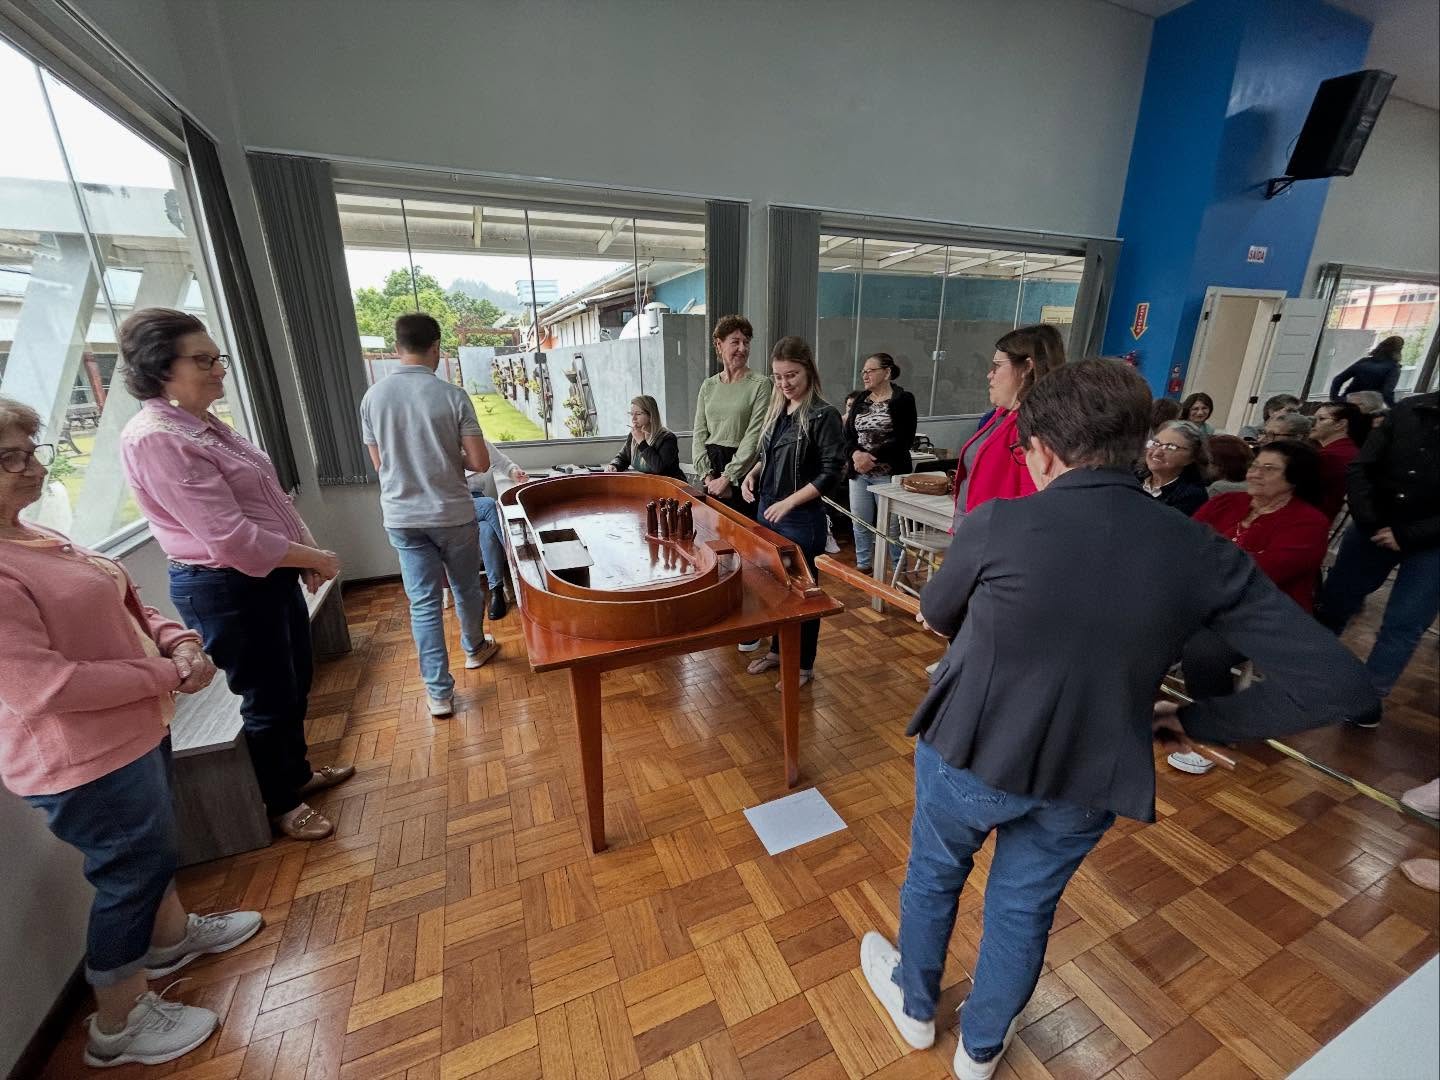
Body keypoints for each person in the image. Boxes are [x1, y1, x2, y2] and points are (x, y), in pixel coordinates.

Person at [854, 360, 1373, 1079]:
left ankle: (916, 1007)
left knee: (935, 875)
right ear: (1138, 443)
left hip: (972, 748)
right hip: (1093, 769)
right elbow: (1340, 683)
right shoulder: (1196, 546)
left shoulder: (1000, 521)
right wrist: (1200, 721)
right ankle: (979, 1049)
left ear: (1042, 450)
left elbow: (939, 616)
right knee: (1023, 909)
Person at [0, 396, 264, 1068]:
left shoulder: (30, 535)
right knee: (130, 874)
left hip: (134, 728)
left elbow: (123, 599)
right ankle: (117, 1026)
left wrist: (178, 641)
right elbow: (46, 688)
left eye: (31, 451)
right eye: (9, 459)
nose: (32, 467)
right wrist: (166, 674)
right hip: (83, 758)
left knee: (153, 853)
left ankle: (171, 939)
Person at [118, 308, 350, 842]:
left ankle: (296, 774)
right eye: (203, 360)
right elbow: (232, 539)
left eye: (217, 357)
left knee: (294, 682)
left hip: (267, 577)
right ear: (160, 368)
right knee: (268, 697)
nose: (219, 369)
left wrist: (307, 554)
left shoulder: (204, 425)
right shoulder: (157, 438)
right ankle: (281, 803)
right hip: (229, 587)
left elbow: (271, 501)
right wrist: (314, 558)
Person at [361, 313, 498, 719]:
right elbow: (480, 461)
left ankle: (439, 694)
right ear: (435, 347)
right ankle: (475, 649)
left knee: (423, 603)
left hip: (403, 518)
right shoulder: (453, 395)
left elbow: (380, 465)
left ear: (397, 347)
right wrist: (447, 456)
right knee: (465, 588)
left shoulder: (373, 398)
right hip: (451, 513)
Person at [1167, 440, 1332, 773]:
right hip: (1199, 598)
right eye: (1255, 465)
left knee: (1204, 651)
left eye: (1268, 469)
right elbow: (1182, 542)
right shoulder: (1227, 502)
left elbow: (1264, 573)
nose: (1255, 473)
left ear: (1294, 478)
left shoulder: (1308, 521)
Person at [1316, 391, 1440, 728]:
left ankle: (1368, 697)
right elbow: (1361, 467)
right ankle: (1304, 670)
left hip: (1432, 541)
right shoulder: (1410, 409)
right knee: (1335, 602)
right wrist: (1371, 519)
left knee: (1405, 621)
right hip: (1375, 523)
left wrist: (1407, 534)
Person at [740, 337, 845, 689]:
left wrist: (790, 502)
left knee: (804, 594)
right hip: (769, 511)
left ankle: (802, 665)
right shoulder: (778, 409)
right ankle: (777, 651)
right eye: (778, 376)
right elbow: (770, 455)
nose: (784, 383)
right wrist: (753, 473)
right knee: (776, 590)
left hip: (800, 519)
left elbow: (831, 473)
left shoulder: (823, 415)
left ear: (808, 371)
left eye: (792, 375)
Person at [692, 314, 772, 654]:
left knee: (748, 553)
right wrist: (707, 475)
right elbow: (699, 432)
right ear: (719, 345)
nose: (741, 348)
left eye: (746, 342)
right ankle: (727, 612)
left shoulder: (760, 384)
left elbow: (755, 437)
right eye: (735, 341)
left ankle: (752, 621)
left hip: (743, 476)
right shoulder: (708, 386)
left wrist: (730, 476)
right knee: (717, 547)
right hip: (712, 473)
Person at [950, 325, 1067, 531]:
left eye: (997, 366)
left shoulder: (1035, 426)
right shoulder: (1002, 416)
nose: (990, 375)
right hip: (974, 529)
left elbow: (1032, 497)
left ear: (1027, 367)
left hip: (996, 535)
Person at [844, 353, 918, 573]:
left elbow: (904, 439)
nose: (865, 375)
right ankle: (864, 565)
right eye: (863, 371)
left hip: (888, 474)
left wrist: (870, 457)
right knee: (860, 521)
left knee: (892, 528)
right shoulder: (861, 399)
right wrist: (856, 455)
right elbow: (847, 435)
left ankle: (898, 570)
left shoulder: (903, 399)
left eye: (870, 370)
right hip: (859, 472)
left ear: (887, 372)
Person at [465, 436, 528, 621]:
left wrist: (514, 472)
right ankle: (518, 560)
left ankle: (497, 590)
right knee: (490, 505)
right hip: (451, 503)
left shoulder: (475, 440)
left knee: (487, 531)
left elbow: (502, 462)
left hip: (476, 501)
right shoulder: (442, 438)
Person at [1138, 420, 1210, 516]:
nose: (1157, 453)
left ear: (1192, 457)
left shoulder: (1192, 496)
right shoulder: (1134, 477)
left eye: (1171, 447)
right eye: (1155, 443)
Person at [606, 395, 685, 480]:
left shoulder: (668, 438)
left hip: (671, 485)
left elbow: (659, 469)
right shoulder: (634, 435)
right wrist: (614, 465)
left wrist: (642, 442)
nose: (633, 419)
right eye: (631, 414)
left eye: (638, 414)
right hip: (648, 484)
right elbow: (622, 458)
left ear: (651, 415)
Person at [1311, 401, 1364, 521]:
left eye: (1321, 419)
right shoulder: (1352, 450)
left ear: (1340, 424)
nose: (1312, 423)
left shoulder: (1328, 456)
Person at [1330, 335, 1404, 407]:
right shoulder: (1393, 368)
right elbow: (1386, 393)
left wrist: (1335, 398)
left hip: (1348, 402)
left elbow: (1338, 379)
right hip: (1368, 407)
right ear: (1398, 350)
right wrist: (1394, 407)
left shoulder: (1364, 361)